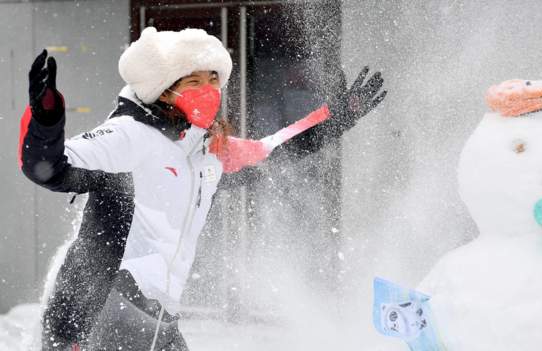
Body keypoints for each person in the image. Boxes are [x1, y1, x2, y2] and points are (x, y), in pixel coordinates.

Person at [20, 27, 386, 350]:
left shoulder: (206, 154)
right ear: (163, 90)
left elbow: (272, 151)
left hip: (156, 315)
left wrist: (334, 119)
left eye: (213, 80)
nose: (209, 91)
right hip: (100, 311)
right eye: (194, 82)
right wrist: (47, 118)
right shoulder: (129, 137)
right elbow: (51, 168)